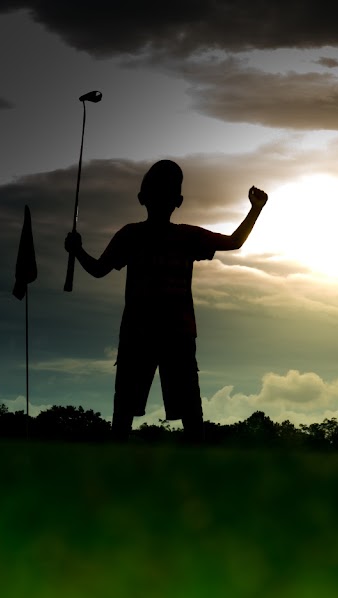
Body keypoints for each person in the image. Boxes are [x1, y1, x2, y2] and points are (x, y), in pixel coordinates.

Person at [64, 159, 268, 442]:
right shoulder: (176, 236)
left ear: (142, 198)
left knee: (136, 410)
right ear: (179, 200)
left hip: (155, 333)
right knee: (178, 412)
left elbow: (98, 270)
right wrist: (256, 208)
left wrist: (77, 251)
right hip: (165, 333)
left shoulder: (138, 235)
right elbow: (234, 242)